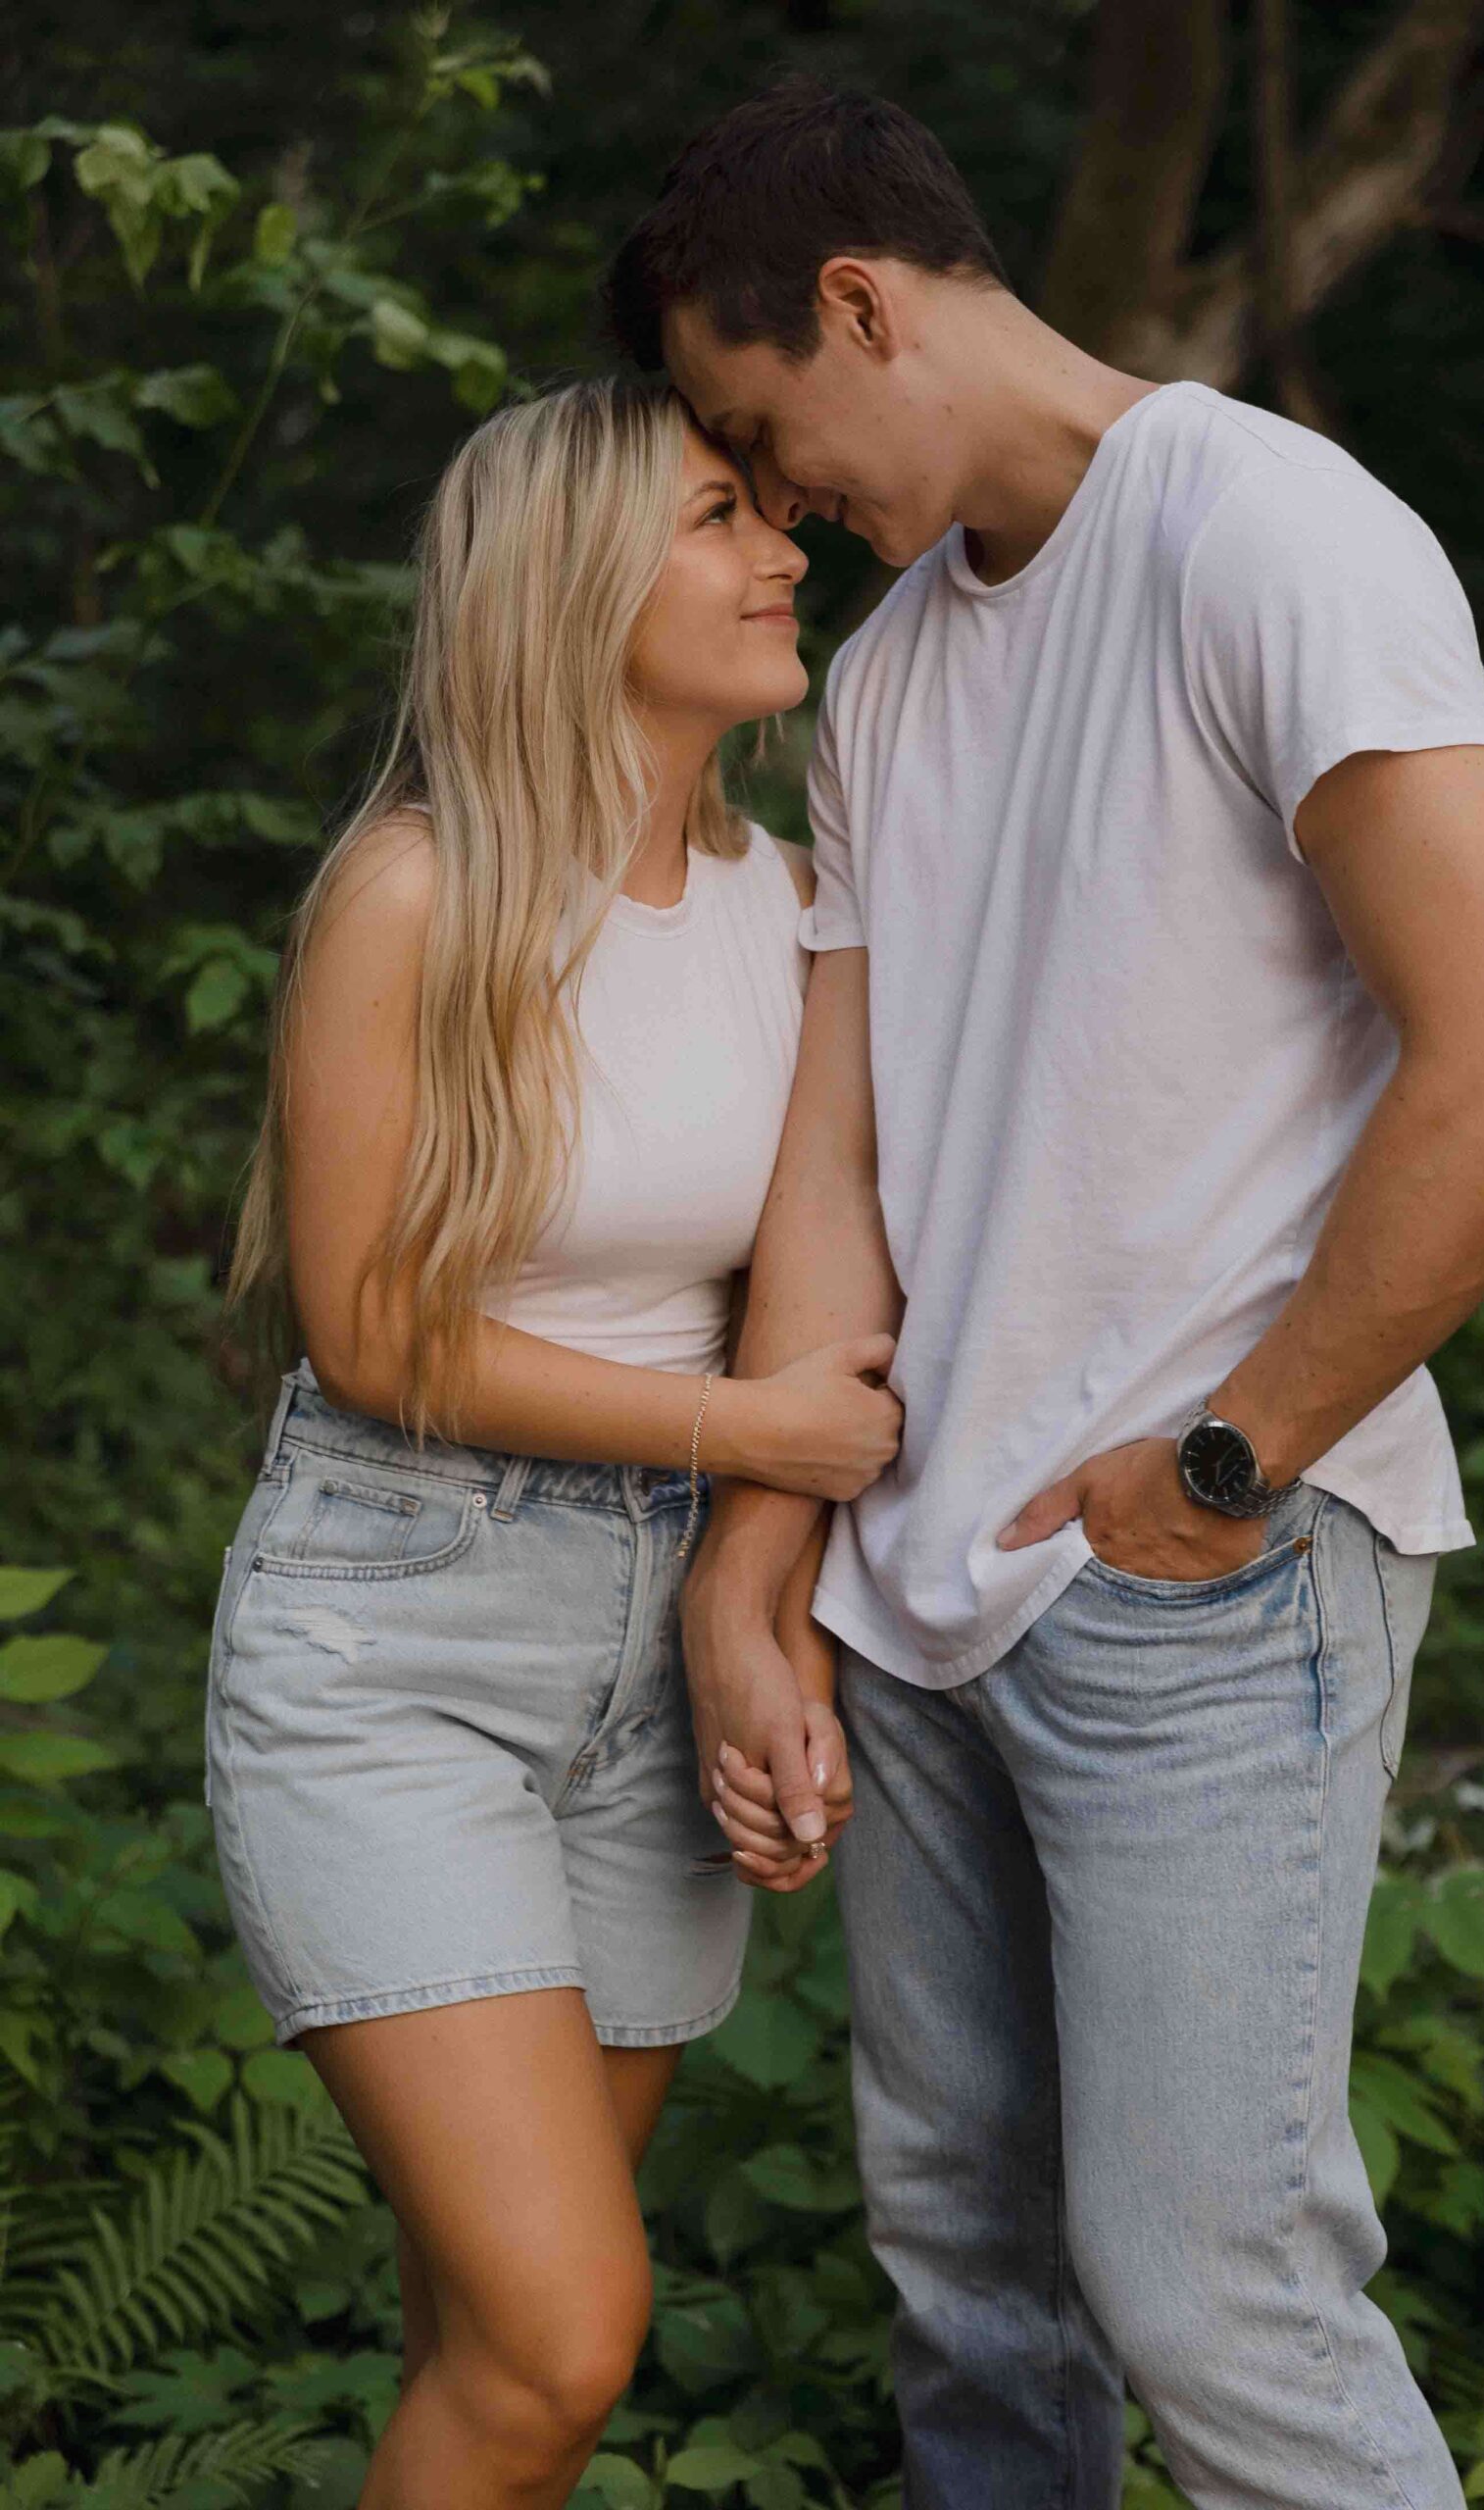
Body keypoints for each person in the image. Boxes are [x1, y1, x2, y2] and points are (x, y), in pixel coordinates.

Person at [606, 78, 1484, 2510]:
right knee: (968, 2271)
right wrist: (766, 1568)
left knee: (1208, 2291)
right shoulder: (882, 685)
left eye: (763, 432)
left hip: (1196, 1557)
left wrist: (1222, 1458)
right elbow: (837, 1156)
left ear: (860, 301)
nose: (782, 506)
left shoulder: (1264, 535)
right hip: (927, 1578)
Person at [205, 374, 901, 2510]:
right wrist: (742, 1424)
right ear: (569, 581)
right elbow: (380, 1325)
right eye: (718, 513)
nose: (783, 548)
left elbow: (822, 1274)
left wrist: (755, 1590)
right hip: (394, 1630)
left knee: (491, 2357)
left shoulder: (795, 903)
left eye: (771, 511)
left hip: (654, 1652)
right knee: (563, 2329)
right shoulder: (417, 895)